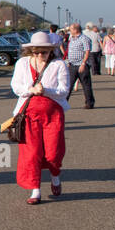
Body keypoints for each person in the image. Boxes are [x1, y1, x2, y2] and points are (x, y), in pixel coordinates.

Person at [11, 32, 70, 204]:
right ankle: (35, 190)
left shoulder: (59, 64)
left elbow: (64, 90)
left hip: (53, 115)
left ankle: (55, 175)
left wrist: (46, 90)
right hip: (28, 114)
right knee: (31, 153)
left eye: (43, 52)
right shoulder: (22, 63)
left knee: (53, 152)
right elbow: (16, 86)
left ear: (50, 51)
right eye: (36, 52)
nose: (39, 56)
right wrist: (31, 89)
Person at [65, 23, 94, 109]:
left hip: (81, 65)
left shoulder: (84, 39)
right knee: (69, 85)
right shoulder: (72, 38)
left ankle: (89, 103)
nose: (69, 31)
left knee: (86, 85)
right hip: (72, 65)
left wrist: (83, 63)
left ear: (75, 30)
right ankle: (64, 102)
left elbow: (87, 51)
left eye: (70, 29)